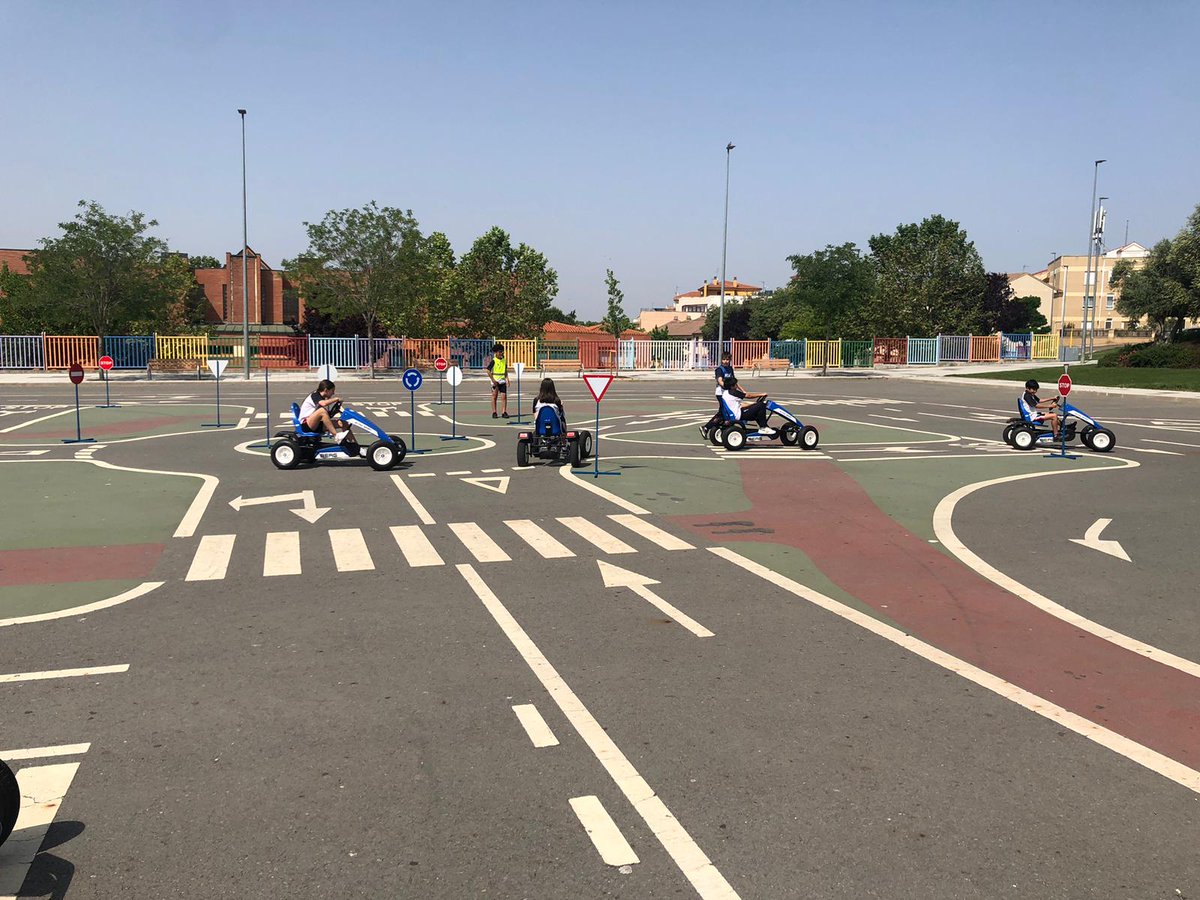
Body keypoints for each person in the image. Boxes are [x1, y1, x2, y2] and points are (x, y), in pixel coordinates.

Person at [298, 379, 353, 443]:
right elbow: (323, 404)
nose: (333, 393)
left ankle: (354, 445)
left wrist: (335, 411)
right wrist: (336, 399)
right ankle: (336, 436)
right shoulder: (315, 395)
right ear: (326, 390)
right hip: (305, 425)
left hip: (316, 424)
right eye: (332, 391)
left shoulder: (321, 397)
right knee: (322, 411)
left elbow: (326, 416)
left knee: (343, 423)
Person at [487, 343, 509, 418]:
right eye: (499, 352)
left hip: (502, 380)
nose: (501, 353)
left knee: (504, 396)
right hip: (495, 381)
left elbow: (505, 370)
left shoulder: (504, 360)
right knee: (494, 396)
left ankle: (504, 412)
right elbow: (488, 371)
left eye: (502, 351)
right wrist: (493, 380)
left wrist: (507, 379)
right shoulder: (494, 361)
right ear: (496, 352)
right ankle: (494, 412)